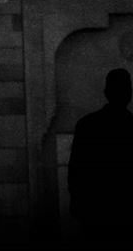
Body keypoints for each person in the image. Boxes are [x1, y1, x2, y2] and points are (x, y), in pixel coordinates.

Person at [68, 68, 133, 250]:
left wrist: (78, 202)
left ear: (106, 92)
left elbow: (75, 169)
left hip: (95, 211)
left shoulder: (87, 125)